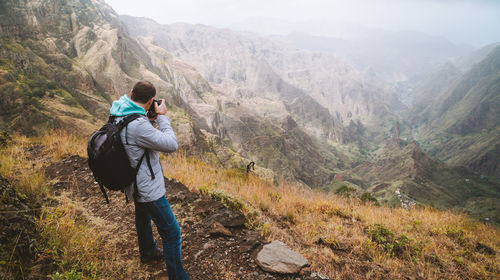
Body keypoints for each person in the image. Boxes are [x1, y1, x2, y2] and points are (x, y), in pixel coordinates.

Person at [109, 81, 189, 280]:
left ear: (131, 93)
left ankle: (148, 251)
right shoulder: (138, 125)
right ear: (151, 100)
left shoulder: (119, 111)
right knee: (172, 233)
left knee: (143, 217)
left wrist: (148, 118)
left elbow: (136, 137)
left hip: (133, 183)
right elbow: (171, 144)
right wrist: (162, 117)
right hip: (147, 188)